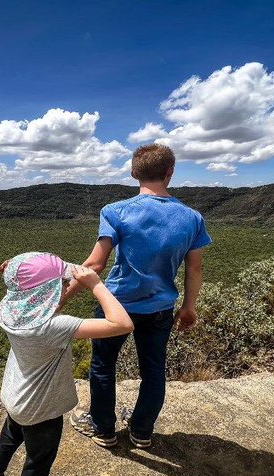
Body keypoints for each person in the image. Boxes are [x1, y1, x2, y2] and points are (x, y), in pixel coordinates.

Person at [63, 143, 212, 449]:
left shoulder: (115, 211)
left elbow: (94, 264)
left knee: (103, 365)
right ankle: (142, 430)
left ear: (133, 173)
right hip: (159, 308)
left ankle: (102, 428)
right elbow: (194, 269)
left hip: (114, 305)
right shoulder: (192, 217)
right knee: (154, 370)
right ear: (170, 173)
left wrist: (61, 298)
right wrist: (188, 308)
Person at [0, 252, 133, 476]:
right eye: (63, 283)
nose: (67, 285)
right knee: (39, 459)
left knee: (8, 438)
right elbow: (122, 323)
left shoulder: (9, 310)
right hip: (42, 409)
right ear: (45, 295)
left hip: (15, 396)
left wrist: (14, 271)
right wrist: (96, 285)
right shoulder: (55, 327)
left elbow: (32, 296)